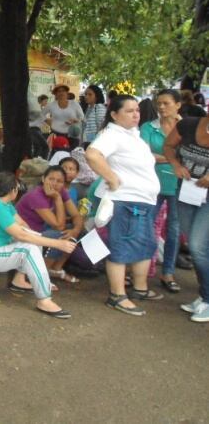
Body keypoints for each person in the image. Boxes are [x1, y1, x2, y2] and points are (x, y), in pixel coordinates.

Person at [86, 94, 163, 316]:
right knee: (123, 247)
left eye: (137, 109)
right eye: (129, 111)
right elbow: (92, 154)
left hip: (143, 201)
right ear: (114, 114)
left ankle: (139, 288)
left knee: (145, 245)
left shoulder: (133, 136)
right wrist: (111, 177)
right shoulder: (113, 135)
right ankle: (117, 295)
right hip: (126, 201)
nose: (135, 114)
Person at [0, 172, 76, 318]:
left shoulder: (3, 203)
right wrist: (57, 243)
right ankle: (44, 299)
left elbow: (23, 225)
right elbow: (21, 235)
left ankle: (19, 280)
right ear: (13, 191)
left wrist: (36, 237)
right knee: (28, 247)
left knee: (33, 239)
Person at [164, 111, 209, 322]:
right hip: (187, 190)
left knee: (199, 247)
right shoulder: (189, 124)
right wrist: (176, 165)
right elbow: (168, 146)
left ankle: (208, 299)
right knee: (193, 245)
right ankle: (203, 296)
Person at [140, 89, 182, 293]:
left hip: (179, 185)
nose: (162, 107)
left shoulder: (187, 128)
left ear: (178, 105)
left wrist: (161, 157)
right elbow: (145, 155)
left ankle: (168, 272)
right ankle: (142, 271)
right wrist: (174, 158)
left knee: (174, 230)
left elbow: (193, 155)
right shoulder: (148, 127)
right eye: (160, 103)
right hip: (151, 184)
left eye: (166, 103)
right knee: (147, 226)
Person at [16, 166, 84, 284]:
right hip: (24, 235)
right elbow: (59, 226)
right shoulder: (36, 196)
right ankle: (42, 274)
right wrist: (57, 198)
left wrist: (76, 230)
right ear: (43, 179)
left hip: (39, 231)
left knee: (76, 229)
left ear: (64, 183)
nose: (54, 184)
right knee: (60, 234)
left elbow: (76, 215)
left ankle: (55, 269)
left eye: (59, 181)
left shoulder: (61, 191)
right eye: (51, 179)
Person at [43, 85, 84, 150]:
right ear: (55, 94)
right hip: (56, 135)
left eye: (63, 91)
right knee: (57, 155)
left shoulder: (74, 104)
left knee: (72, 156)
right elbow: (40, 115)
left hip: (72, 135)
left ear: (67, 93)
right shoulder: (51, 105)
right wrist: (49, 122)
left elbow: (82, 117)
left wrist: (75, 120)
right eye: (59, 91)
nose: (61, 93)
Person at [28, 94, 50, 158]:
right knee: (44, 147)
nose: (46, 103)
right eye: (45, 101)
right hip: (33, 129)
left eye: (47, 101)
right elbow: (47, 120)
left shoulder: (40, 109)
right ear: (40, 101)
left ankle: (35, 160)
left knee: (37, 147)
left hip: (37, 129)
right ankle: (42, 162)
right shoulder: (38, 110)